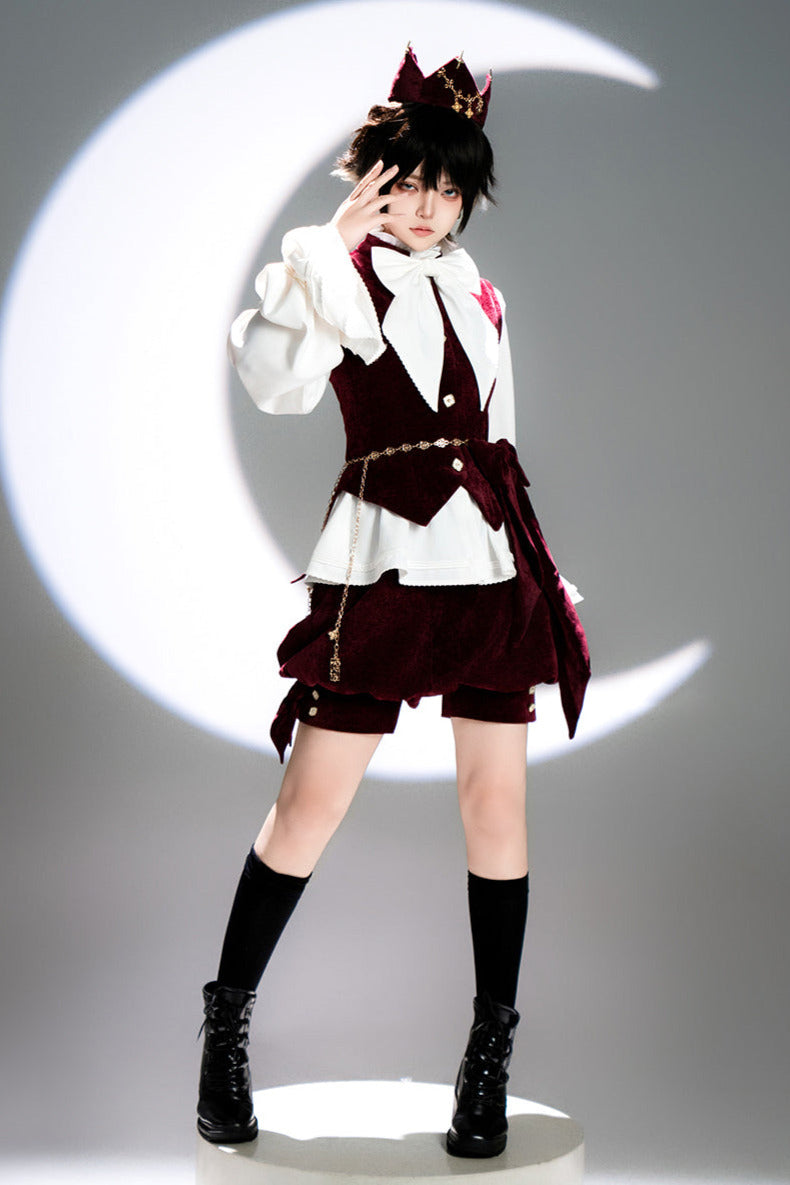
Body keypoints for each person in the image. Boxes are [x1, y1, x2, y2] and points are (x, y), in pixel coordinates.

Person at [197, 44, 590, 1159]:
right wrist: (324, 250)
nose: (425, 206)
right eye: (407, 182)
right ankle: (225, 1030)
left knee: (495, 808)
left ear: (468, 198)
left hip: (490, 569)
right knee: (308, 807)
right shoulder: (335, 270)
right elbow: (275, 385)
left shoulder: (481, 292)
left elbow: (496, 438)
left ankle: (488, 1054)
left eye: (447, 189)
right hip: (384, 564)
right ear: (371, 180)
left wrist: (537, 570)